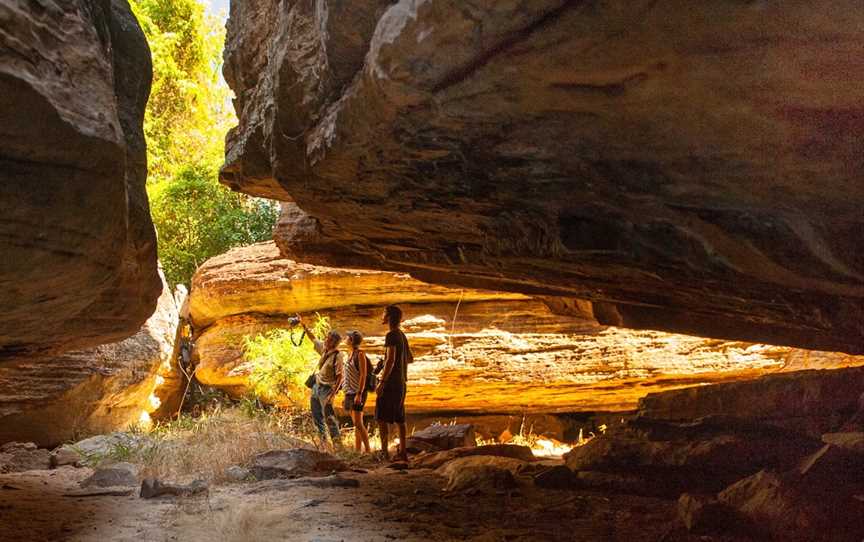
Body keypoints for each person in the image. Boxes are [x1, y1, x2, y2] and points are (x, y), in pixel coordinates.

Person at [375, 305, 413, 461]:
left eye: (384, 313)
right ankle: (403, 452)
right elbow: (410, 358)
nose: (382, 316)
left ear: (389, 317)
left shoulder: (391, 335)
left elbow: (390, 359)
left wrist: (382, 382)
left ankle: (384, 452)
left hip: (391, 383)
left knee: (381, 418)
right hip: (402, 382)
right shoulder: (402, 336)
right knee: (400, 418)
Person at [299, 316, 342, 448]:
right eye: (327, 338)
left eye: (328, 339)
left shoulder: (338, 356)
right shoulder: (324, 350)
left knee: (329, 418)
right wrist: (304, 326)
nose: (325, 339)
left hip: (327, 390)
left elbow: (340, 377)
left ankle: (338, 446)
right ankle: (323, 443)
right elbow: (313, 338)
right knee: (317, 416)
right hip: (316, 388)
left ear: (333, 342)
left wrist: (332, 394)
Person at [343, 330, 371, 453]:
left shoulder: (360, 354)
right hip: (349, 393)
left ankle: (368, 451)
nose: (345, 338)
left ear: (351, 340)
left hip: (358, 392)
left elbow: (363, 375)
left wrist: (359, 393)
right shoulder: (349, 354)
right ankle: (358, 450)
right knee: (356, 424)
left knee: (359, 423)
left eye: (347, 337)